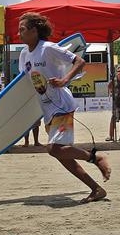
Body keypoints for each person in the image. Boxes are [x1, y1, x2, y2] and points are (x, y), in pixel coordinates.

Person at [18, 12, 110, 204]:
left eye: (23, 29)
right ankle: (96, 189)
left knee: (54, 149)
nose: (19, 33)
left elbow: (79, 61)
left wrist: (64, 80)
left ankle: (95, 158)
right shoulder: (24, 54)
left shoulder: (48, 48)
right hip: (46, 109)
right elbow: (24, 84)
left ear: (34, 31)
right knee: (63, 155)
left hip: (61, 104)